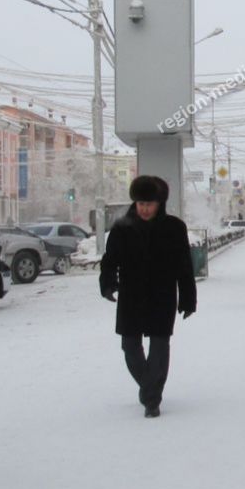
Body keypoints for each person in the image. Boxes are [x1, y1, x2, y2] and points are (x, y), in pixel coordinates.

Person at [99, 175, 196, 418]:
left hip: (162, 294)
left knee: (160, 346)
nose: (144, 209)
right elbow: (110, 261)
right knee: (129, 345)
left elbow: (184, 266)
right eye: (141, 203)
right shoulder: (122, 228)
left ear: (159, 204)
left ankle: (151, 400)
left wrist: (187, 298)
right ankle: (149, 388)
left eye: (149, 204)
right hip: (132, 294)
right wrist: (108, 284)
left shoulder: (174, 227)